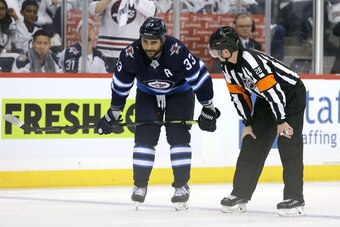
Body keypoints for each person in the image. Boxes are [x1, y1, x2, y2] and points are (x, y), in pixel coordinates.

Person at [96, 17, 220, 210]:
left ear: (162, 39)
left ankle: (181, 186)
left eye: (153, 42)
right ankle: (140, 185)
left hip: (179, 92)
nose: (149, 46)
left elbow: (200, 76)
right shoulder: (130, 54)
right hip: (147, 93)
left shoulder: (177, 51)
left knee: (178, 135)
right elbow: (120, 85)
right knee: (145, 136)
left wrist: (208, 107)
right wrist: (113, 112)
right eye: (145, 42)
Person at [208, 26, 306, 216]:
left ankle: (295, 199)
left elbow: (274, 92)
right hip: (267, 98)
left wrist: (281, 121)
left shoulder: (251, 62)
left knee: (289, 144)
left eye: (217, 50)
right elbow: (239, 96)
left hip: (291, 94)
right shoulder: (227, 66)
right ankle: (240, 194)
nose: (215, 54)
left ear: (228, 49)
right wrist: (247, 123)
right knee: (251, 142)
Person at [88, 0, 157, 73]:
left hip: (133, 54)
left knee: (131, 83)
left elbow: (152, 11)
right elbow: (93, 10)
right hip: (106, 53)